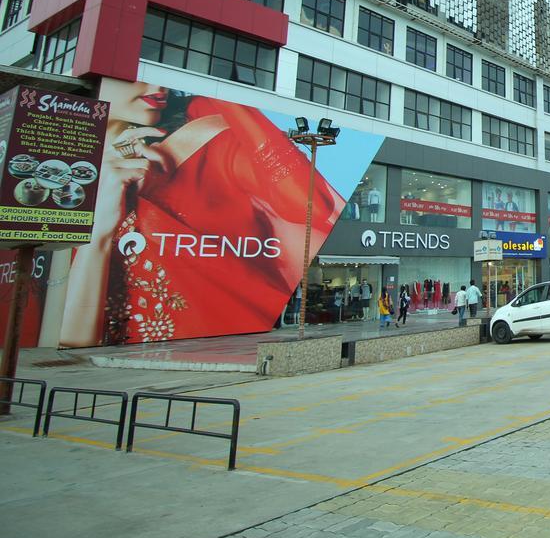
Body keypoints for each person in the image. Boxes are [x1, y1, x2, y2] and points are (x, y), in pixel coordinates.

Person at [60, 81, 344, 346]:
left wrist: (225, 88)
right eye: (137, 72)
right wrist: (98, 235)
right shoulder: (57, 171)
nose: (158, 85)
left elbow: (313, 205)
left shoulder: (203, 138)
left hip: (225, 338)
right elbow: (72, 343)